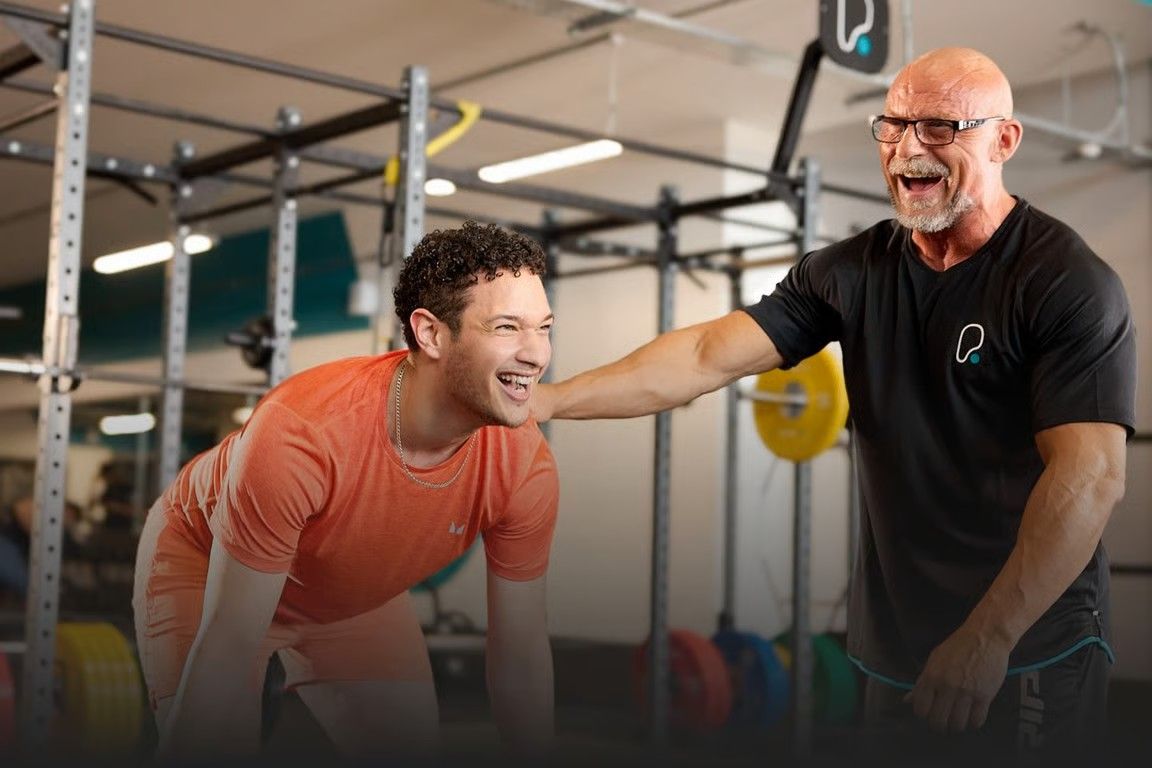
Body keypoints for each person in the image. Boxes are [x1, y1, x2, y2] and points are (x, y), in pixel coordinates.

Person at [533, 47, 1135, 757]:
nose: (911, 148)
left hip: (1029, 638)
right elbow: (702, 356)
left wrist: (988, 637)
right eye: (895, 125)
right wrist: (546, 402)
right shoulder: (849, 271)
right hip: (899, 637)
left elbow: (1090, 478)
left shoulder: (1064, 281)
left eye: (942, 127)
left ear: (1004, 140)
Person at [133, 221, 558, 760]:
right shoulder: (304, 432)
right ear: (430, 334)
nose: (537, 354)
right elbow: (230, 642)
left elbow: (519, 651)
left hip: (345, 593)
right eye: (506, 328)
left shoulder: (524, 466)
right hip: (207, 562)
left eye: (544, 327)